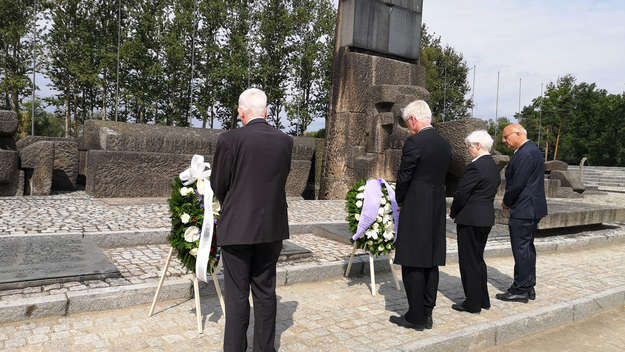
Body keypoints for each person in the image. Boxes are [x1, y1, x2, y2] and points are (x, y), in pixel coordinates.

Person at [210, 88, 293, 352]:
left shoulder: (229, 139)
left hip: (237, 227)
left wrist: (233, 205)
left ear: (240, 112)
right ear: (267, 112)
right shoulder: (285, 141)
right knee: (266, 292)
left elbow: (218, 184)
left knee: (236, 296)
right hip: (272, 227)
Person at [390, 100, 451, 331]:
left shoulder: (415, 142)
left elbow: (405, 176)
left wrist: (400, 200)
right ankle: (427, 312)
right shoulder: (444, 144)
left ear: (414, 119)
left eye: (408, 124)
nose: (409, 129)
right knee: (431, 261)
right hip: (436, 207)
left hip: (416, 206)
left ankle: (415, 317)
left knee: (412, 261)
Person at [449, 130, 501, 313]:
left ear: (478, 146)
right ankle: (483, 299)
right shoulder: (492, 166)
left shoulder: (475, 166)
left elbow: (462, 193)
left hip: (470, 219)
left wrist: (453, 212)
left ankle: (472, 302)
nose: (468, 150)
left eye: (469, 146)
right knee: (478, 260)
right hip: (485, 217)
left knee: (469, 261)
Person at [495, 123, 547, 303]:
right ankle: (527, 285)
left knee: (521, 249)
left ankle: (521, 289)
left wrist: (506, 201)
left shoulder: (526, 153)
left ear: (518, 133)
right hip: (530, 207)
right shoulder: (530, 150)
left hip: (525, 208)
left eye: (506, 137)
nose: (504, 141)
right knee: (526, 248)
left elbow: (518, 183)